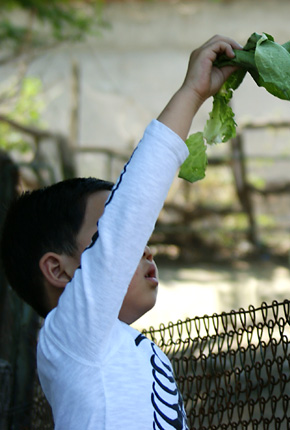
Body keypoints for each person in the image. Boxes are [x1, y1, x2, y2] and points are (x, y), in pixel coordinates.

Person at [0, 34, 242, 429]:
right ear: (58, 271)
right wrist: (192, 94)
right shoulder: (70, 338)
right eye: (106, 234)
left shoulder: (121, 349)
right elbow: (131, 212)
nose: (143, 248)